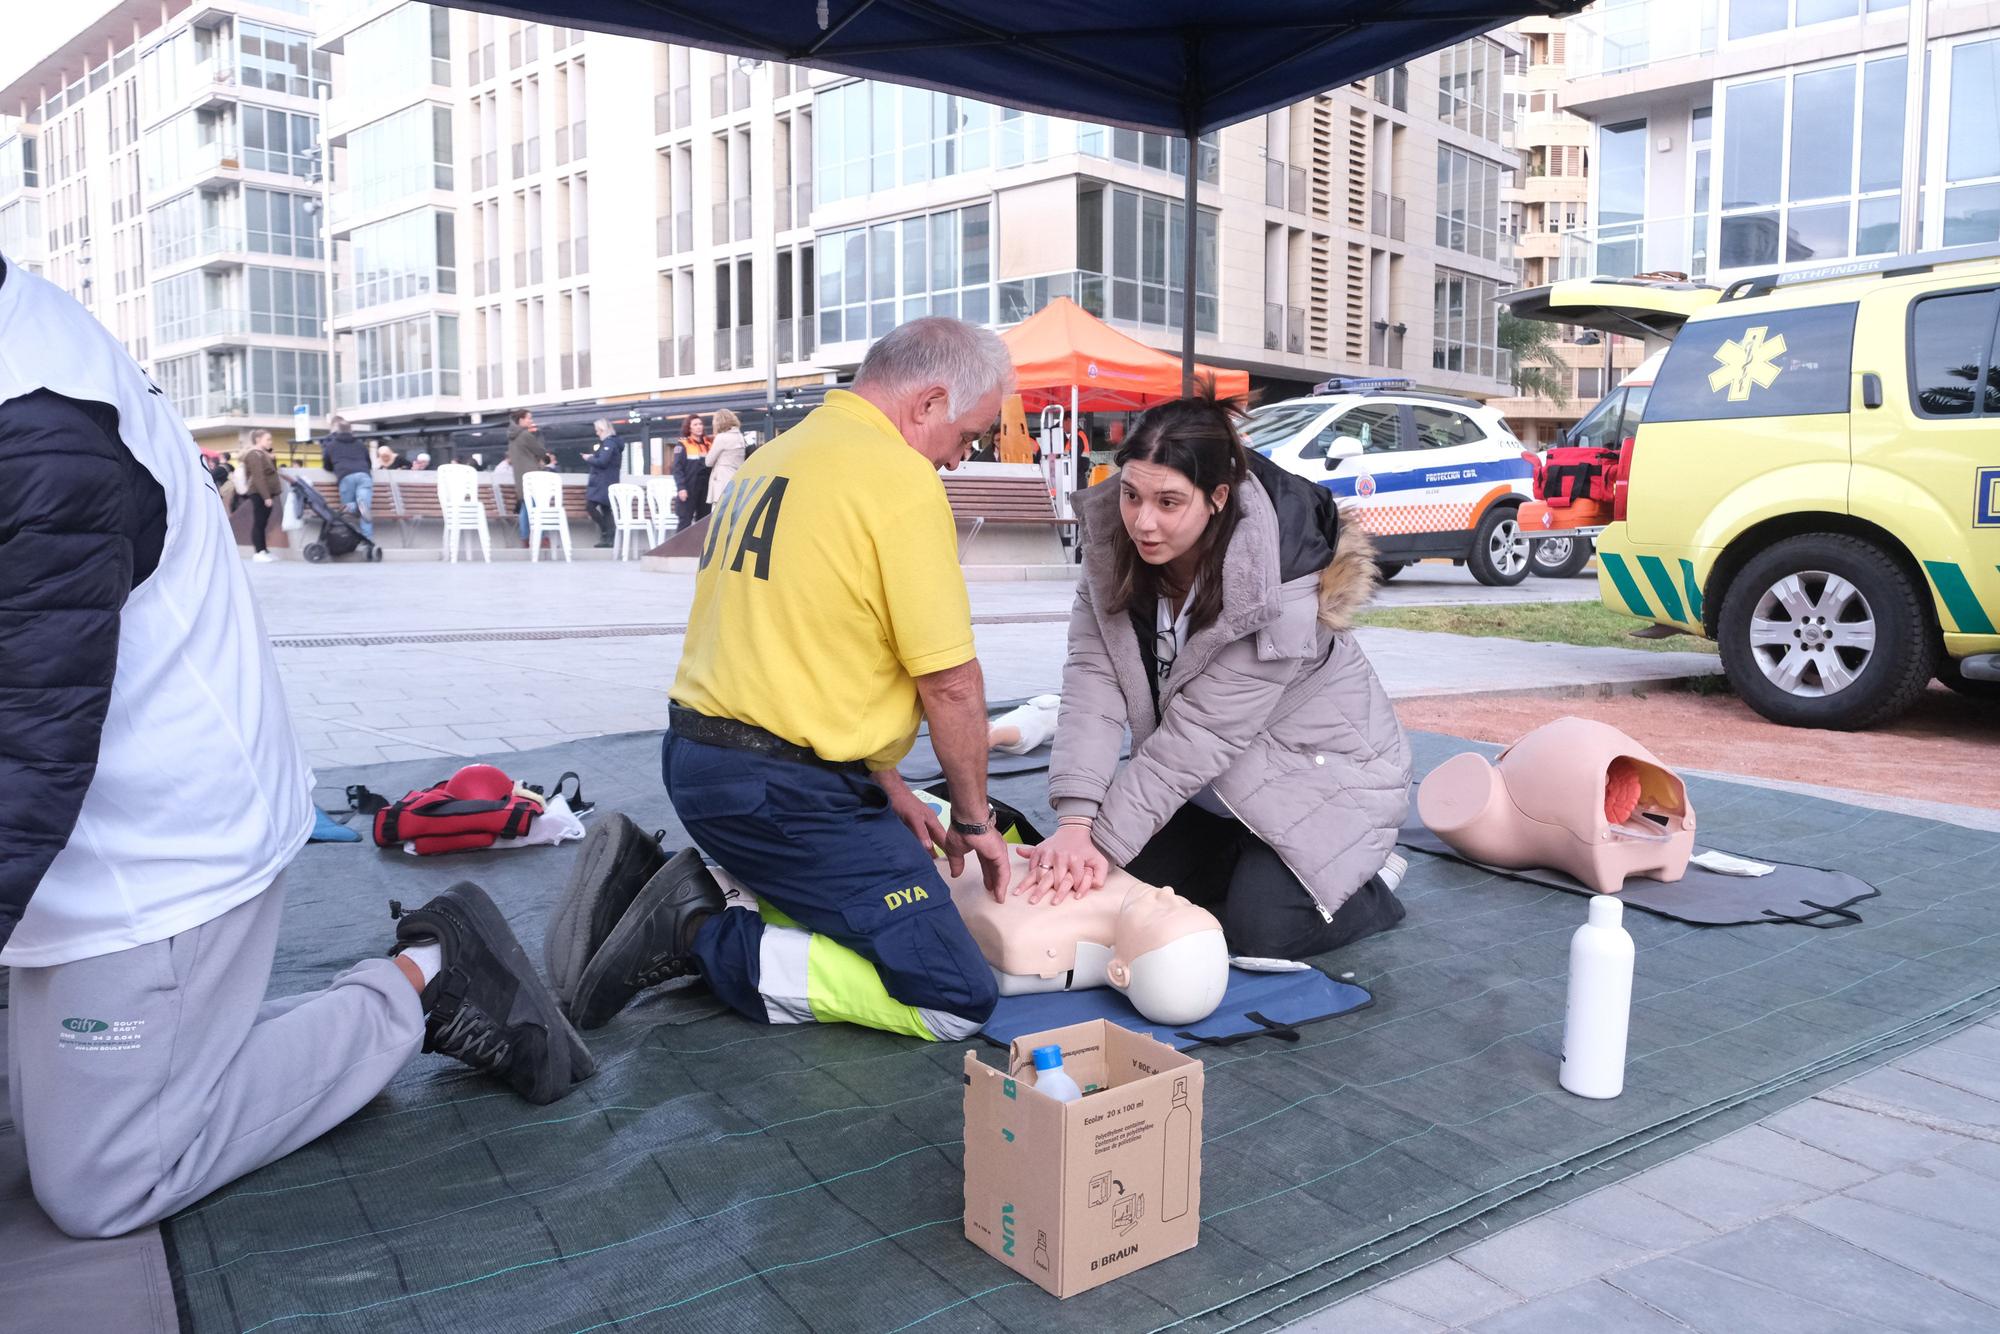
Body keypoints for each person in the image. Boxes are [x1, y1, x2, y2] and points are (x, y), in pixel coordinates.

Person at [0, 251, 586, 1240]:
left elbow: (30, 751)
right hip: (79, 823)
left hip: (154, 852)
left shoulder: (39, 429)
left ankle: (424, 978)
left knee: (102, 1176)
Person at [548, 317, 1017, 1041]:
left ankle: (681, 883)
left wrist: (889, 783)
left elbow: (802, 644)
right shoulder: (897, 479)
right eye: (966, 437)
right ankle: (694, 929)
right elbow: (951, 684)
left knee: (885, 885)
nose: (958, 460)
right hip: (785, 794)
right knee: (953, 996)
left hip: (704, 766)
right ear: (927, 403)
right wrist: (974, 818)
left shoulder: (779, 455)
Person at [1021, 394, 1413, 962]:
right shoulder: (1115, 552)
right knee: (1122, 890)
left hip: (1323, 781)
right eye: (1131, 494)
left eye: (1169, 502)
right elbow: (1092, 683)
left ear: (1218, 499)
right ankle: (1242, 860)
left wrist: (1101, 841)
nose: (1143, 521)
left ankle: (1366, 885)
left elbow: (1200, 735)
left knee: (1256, 935)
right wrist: (1077, 819)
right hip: (1216, 790)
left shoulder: (1279, 586)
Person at [506, 408, 552, 546]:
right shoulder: (525, 435)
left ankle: (525, 537)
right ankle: (542, 537)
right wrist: (546, 459)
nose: (531, 421)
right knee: (538, 507)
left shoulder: (512, 436)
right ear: (521, 420)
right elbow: (540, 451)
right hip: (532, 476)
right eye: (529, 418)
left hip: (520, 477)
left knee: (526, 506)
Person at [321, 415, 372, 540]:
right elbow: (369, 463)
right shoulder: (360, 444)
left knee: (347, 510)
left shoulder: (331, 445)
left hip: (346, 476)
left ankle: (353, 510)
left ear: (337, 431)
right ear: (351, 431)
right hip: (364, 475)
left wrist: (337, 467)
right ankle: (368, 540)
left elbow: (326, 466)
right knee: (365, 510)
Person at [241, 428, 283, 563]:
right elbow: (258, 477)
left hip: (265, 492)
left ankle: (264, 550)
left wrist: (273, 458)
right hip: (259, 493)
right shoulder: (254, 454)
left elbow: (271, 472)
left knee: (263, 522)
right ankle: (258, 552)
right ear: (258, 440)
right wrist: (266, 497)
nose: (270, 442)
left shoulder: (263, 454)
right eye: (268, 439)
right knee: (259, 522)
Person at [584, 417, 623, 548]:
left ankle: (607, 533)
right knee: (606, 509)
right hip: (609, 481)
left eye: (598, 431)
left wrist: (589, 458)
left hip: (604, 482)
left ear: (602, 429)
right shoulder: (613, 443)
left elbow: (602, 462)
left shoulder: (609, 444)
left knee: (590, 506)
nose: (597, 433)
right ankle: (609, 538)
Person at [671, 411, 712, 530]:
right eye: (695, 424)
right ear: (689, 428)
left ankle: (700, 548)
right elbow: (677, 469)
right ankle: (680, 548)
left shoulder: (708, 444)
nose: (699, 427)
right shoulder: (683, 444)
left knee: (704, 521)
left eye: (700, 424)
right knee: (685, 521)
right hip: (689, 487)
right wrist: (681, 488)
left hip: (705, 487)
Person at [704, 407, 748, 507]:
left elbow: (708, 462)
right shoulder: (740, 437)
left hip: (722, 481)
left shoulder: (721, 438)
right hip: (736, 479)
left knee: (718, 515)